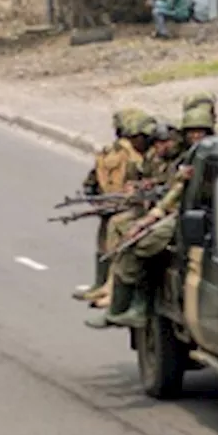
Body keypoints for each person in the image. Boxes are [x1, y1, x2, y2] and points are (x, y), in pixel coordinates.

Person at [86, 93, 217, 330]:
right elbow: (175, 189)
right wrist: (154, 213)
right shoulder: (189, 157)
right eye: (192, 132)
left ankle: (133, 304)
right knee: (132, 237)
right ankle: (119, 302)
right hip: (178, 212)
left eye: (202, 131)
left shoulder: (215, 156)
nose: (196, 136)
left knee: (143, 244)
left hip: (202, 217)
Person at [71, 109, 152, 303]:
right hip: (116, 204)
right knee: (104, 238)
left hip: (135, 209)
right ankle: (102, 284)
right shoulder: (119, 154)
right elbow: (95, 179)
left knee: (117, 237)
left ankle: (111, 287)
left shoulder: (145, 157)